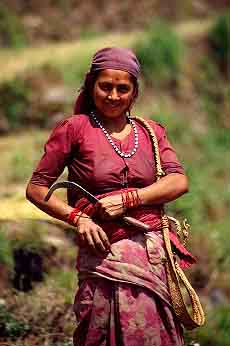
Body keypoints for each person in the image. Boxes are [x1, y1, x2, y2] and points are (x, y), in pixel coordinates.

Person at [26, 47, 190, 345]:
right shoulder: (74, 129)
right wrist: (79, 219)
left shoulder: (151, 131)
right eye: (105, 86)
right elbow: (37, 190)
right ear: (91, 86)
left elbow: (178, 181)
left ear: (134, 92)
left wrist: (130, 199)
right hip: (103, 256)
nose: (113, 96)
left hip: (152, 259)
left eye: (122, 88)